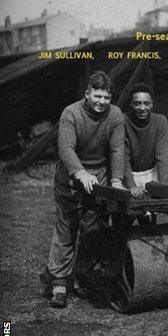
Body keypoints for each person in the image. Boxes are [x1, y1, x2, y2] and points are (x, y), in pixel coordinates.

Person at [45, 71, 125, 308]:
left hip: (97, 181)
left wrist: (117, 180)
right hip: (71, 180)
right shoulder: (71, 113)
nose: (102, 102)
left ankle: (82, 275)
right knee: (66, 229)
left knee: (92, 231)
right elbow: (66, 149)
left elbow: (117, 151)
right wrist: (80, 173)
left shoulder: (116, 115)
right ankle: (59, 284)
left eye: (107, 97)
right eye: (98, 96)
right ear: (87, 94)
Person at [123, 83, 168, 199]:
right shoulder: (122, 120)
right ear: (131, 104)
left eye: (146, 103)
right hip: (128, 174)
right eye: (137, 104)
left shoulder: (160, 121)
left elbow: (163, 157)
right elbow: (123, 157)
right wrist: (131, 185)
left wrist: (164, 187)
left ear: (152, 104)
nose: (142, 108)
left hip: (151, 174)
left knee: (153, 207)